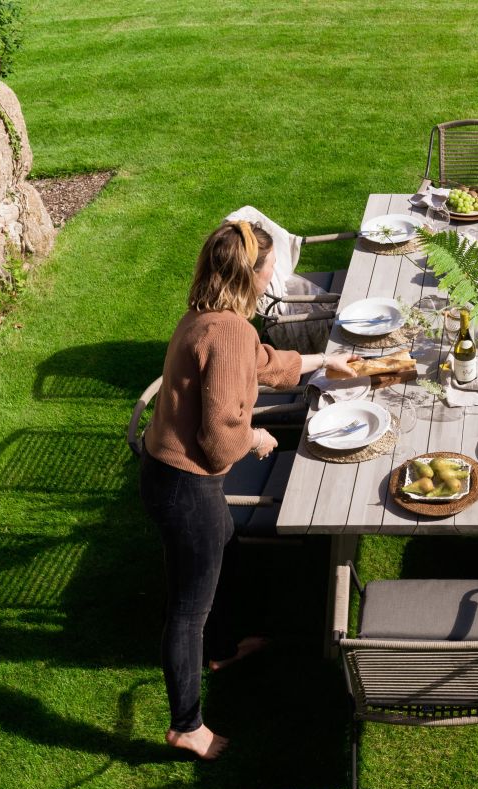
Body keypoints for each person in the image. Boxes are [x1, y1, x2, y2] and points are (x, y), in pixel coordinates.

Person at [140, 220, 356, 760]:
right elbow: (219, 434)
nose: (273, 277)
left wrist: (321, 362)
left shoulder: (208, 318)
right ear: (249, 274)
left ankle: (223, 649)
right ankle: (186, 725)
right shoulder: (230, 330)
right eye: (269, 268)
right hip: (182, 482)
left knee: (225, 553)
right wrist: (255, 437)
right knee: (187, 608)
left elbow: (261, 364)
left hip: (176, 476)